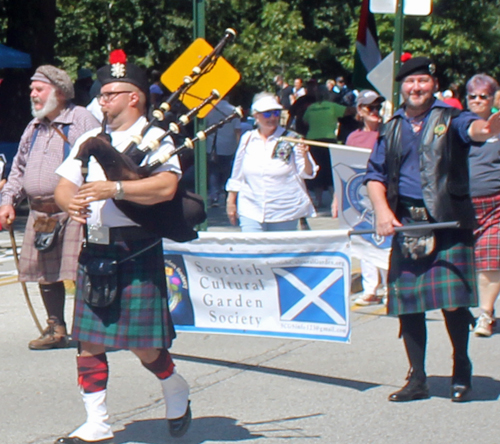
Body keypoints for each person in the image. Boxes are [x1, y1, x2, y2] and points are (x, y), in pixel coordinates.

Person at [53, 52, 191, 443]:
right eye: (102, 93)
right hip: (94, 250)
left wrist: (116, 188)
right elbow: (65, 181)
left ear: (135, 97)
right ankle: (97, 423)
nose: (103, 100)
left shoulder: (157, 138)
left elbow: (165, 187)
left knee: (144, 347)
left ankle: (174, 384)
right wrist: (71, 202)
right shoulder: (89, 138)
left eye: (112, 93)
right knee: (89, 340)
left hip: (137, 249)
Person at [364, 56, 500, 403]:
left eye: (423, 81)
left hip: (447, 221)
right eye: (410, 82)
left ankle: (461, 367)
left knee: (453, 303)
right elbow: (375, 175)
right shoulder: (392, 125)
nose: (416, 88)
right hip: (407, 223)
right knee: (409, 303)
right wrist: (382, 211)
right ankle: (418, 378)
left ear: (433, 85)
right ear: (402, 87)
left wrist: (491, 124)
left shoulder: (451, 117)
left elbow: (478, 131)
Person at [0, 65, 99, 350]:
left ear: (58, 92)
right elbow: (18, 169)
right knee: (46, 274)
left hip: (73, 211)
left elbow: (101, 161)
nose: (32, 94)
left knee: (81, 273)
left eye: (38, 89)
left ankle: (91, 329)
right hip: (40, 212)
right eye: (32, 89)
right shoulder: (33, 127)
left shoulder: (81, 120)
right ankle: (56, 328)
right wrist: (7, 202)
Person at [226, 92, 317, 232]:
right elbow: (237, 172)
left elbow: (307, 173)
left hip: (284, 210)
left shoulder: (292, 138)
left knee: (280, 252)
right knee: (253, 250)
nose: (273, 117)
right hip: (251, 207)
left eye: (276, 113)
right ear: (256, 115)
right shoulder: (248, 138)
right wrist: (231, 201)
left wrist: (304, 155)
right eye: (267, 114)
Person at [343, 90, 388, 306]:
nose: (375, 112)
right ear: (360, 110)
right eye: (370, 108)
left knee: (386, 238)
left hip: (385, 195)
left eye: (378, 107)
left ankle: (389, 286)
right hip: (360, 197)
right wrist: (337, 200)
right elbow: (344, 169)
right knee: (364, 238)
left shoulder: (389, 133)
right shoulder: (354, 137)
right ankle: (370, 288)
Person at [466, 74, 500, 337]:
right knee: (467, 263)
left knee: (490, 259)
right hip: (462, 206)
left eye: (483, 96)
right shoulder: (457, 126)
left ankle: (486, 315)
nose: (477, 100)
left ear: (493, 99)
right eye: (473, 96)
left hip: (496, 205)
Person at [302, 85, 353, 208]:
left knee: (317, 170)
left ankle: (318, 200)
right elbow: (349, 111)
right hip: (329, 139)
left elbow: (305, 121)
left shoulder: (311, 108)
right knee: (331, 170)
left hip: (313, 140)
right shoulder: (332, 106)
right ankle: (334, 200)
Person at [205, 97, 242, 207]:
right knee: (227, 172)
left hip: (212, 147)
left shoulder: (209, 109)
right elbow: (237, 130)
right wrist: (239, 147)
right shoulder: (234, 110)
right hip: (228, 146)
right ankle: (227, 195)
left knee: (213, 173)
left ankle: (214, 197)